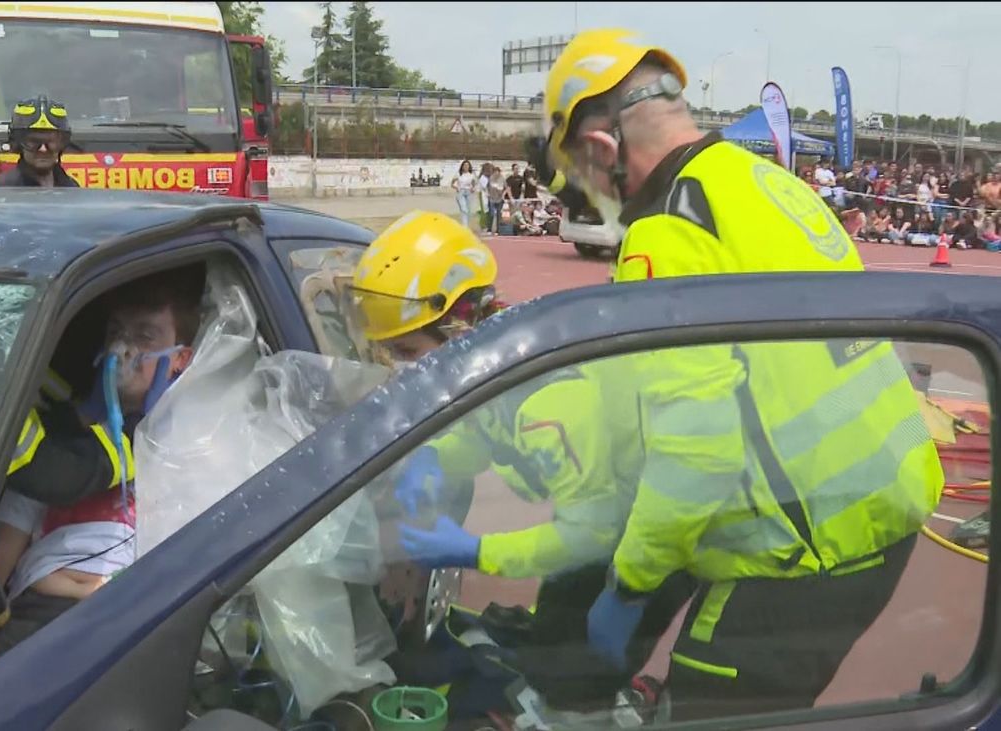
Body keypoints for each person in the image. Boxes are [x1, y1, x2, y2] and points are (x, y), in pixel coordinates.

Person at [536, 28, 943, 720]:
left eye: (584, 183)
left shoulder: (665, 232)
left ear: (604, 150)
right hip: (883, 496)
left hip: (809, 545)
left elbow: (693, 455)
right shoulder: (763, 182)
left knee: (709, 700)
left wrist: (629, 583)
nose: (599, 203)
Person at [349, 210, 694, 712]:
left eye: (408, 350)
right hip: (605, 518)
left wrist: (475, 551)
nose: (405, 369)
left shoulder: (550, 406)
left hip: (647, 545)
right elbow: (484, 434)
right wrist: (434, 459)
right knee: (549, 644)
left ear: (457, 323)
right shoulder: (499, 355)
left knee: (577, 682)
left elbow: (586, 536)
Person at [0, 266, 205, 653]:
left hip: (137, 621)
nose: (125, 349)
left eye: (144, 335)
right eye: (117, 332)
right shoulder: (64, 445)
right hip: (44, 615)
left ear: (180, 358)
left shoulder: (199, 435)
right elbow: (8, 541)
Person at [0, 96, 81, 188]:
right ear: (18, 144)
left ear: (62, 144)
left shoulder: (71, 187)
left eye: (50, 142)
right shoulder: (7, 190)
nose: (43, 149)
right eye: (34, 142)